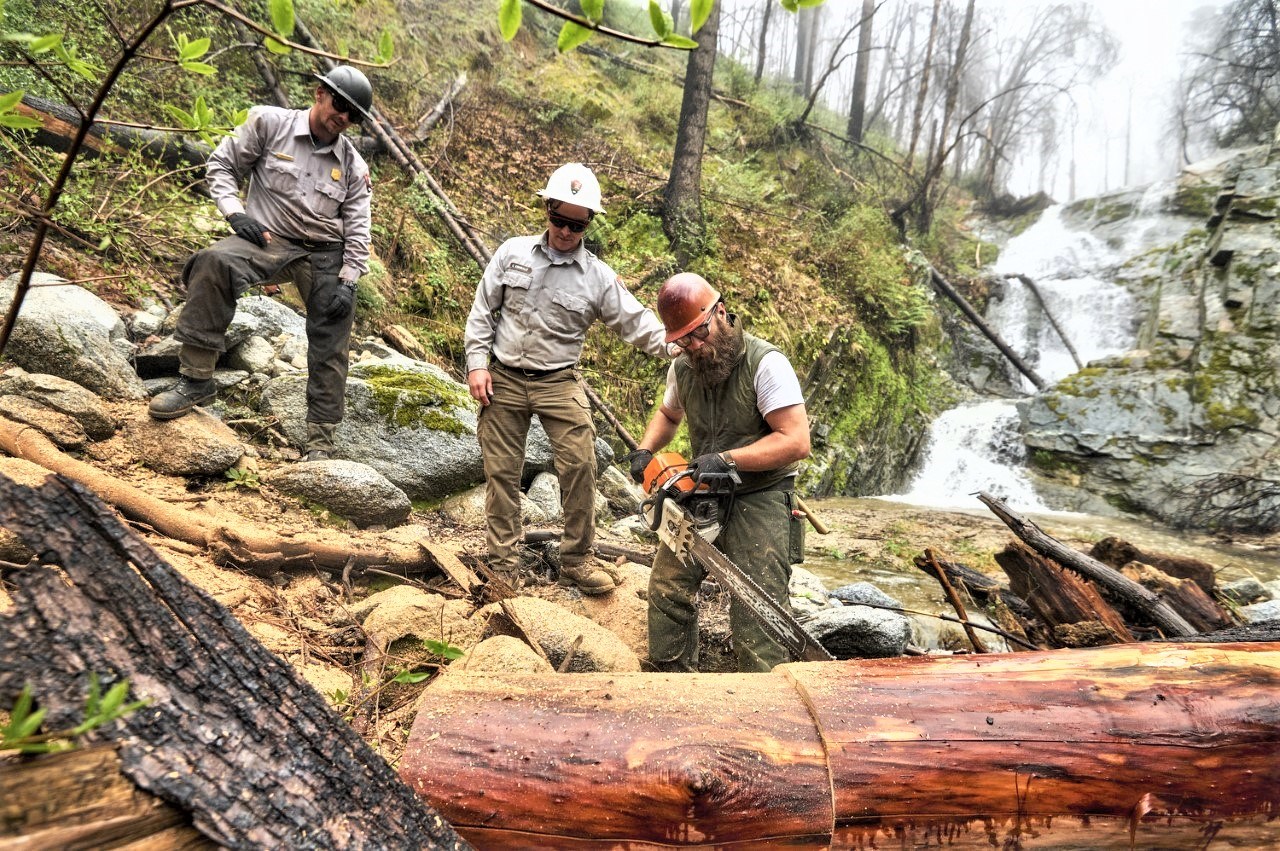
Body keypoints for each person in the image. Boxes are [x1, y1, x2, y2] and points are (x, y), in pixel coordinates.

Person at [149, 66, 375, 462]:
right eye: (341, 105)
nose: (344, 117)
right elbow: (221, 165)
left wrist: (349, 279)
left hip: (325, 251)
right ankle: (195, 380)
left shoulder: (354, 166)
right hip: (267, 237)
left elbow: (359, 226)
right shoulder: (267, 123)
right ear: (320, 92)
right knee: (213, 262)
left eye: (354, 115)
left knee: (333, 329)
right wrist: (235, 213)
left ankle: (320, 439)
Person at [464, 163, 668, 596]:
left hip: (559, 381)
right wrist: (476, 364)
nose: (566, 231)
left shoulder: (597, 276)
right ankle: (503, 566)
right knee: (501, 472)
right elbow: (483, 311)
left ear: (589, 223)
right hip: (502, 376)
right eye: (559, 219)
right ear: (547, 208)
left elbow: (636, 322)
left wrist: (679, 342)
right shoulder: (512, 253)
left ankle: (576, 557)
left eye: (577, 224)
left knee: (580, 463)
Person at [627, 272, 811, 672]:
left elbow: (796, 441)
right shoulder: (683, 367)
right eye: (683, 340)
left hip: (760, 494)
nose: (694, 346)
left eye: (699, 333)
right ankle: (672, 682)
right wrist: (645, 449)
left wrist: (728, 459)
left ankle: (769, 706)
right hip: (704, 491)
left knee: (756, 611)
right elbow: (668, 413)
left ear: (720, 313)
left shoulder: (766, 364)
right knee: (667, 589)